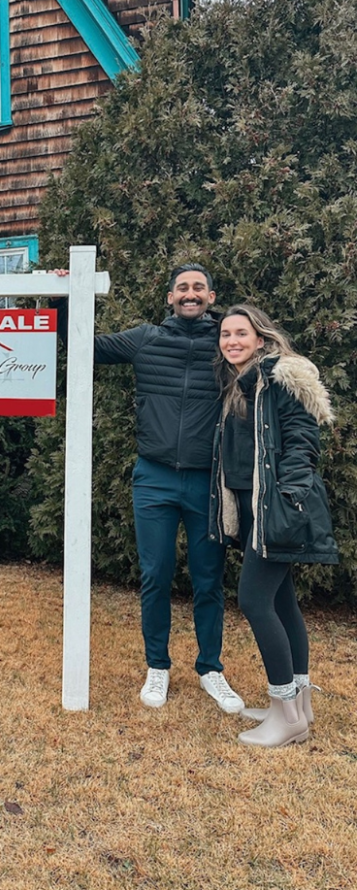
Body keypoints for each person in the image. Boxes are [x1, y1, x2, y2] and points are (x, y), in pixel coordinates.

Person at [81, 264, 244, 711]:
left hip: (207, 483)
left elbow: (272, 368)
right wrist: (64, 293)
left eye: (198, 288)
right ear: (169, 297)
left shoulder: (228, 346)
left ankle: (211, 669)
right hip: (153, 478)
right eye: (182, 288)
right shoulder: (145, 339)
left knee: (209, 579)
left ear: (211, 296)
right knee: (155, 575)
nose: (190, 294)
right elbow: (81, 345)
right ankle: (158, 667)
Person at [210, 305, 337, 747]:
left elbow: (302, 443)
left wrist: (289, 501)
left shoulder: (283, 377)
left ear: (260, 338)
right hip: (252, 508)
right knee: (283, 603)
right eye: (225, 334)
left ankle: (286, 714)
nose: (232, 341)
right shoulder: (241, 384)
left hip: (276, 508)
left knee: (254, 600)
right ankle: (298, 708)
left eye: (241, 333)